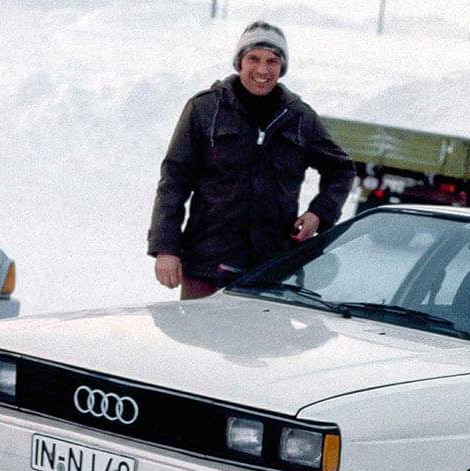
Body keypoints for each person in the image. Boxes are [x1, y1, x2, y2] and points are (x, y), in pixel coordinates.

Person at [148, 21, 355, 299]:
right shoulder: (205, 109)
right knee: (197, 340)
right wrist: (166, 248)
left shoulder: (299, 117)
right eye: (253, 58)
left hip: (269, 268)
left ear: (282, 67)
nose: (262, 70)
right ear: (239, 62)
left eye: (272, 61)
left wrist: (319, 213)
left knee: (260, 342)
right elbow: (173, 181)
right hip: (207, 264)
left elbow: (341, 168)